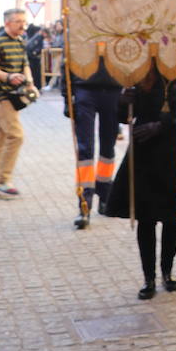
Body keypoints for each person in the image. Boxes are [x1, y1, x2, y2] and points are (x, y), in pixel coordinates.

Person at [102, 65, 176, 300]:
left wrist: (163, 125)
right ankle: (149, 277)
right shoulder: (139, 73)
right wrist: (123, 101)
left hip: (173, 152)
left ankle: (167, 271)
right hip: (144, 154)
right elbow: (124, 117)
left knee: (171, 217)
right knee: (146, 218)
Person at [0, 8, 35, 199]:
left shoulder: (20, 40)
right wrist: (8, 76)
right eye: (18, 21)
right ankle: (2, 181)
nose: (22, 25)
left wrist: (29, 83)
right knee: (16, 135)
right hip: (0, 96)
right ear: (7, 23)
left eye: (24, 21)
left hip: (12, 96)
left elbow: (25, 64)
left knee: (3, 137)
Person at [68, 58, 123, 229]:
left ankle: (105, 195)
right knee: (85, 151)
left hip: (113, 89)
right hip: (84, 88)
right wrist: (66, 96)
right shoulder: (78, 31)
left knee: (108, 148)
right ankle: (84, 203)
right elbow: (68, 58)